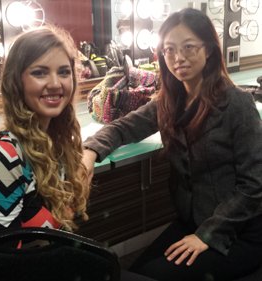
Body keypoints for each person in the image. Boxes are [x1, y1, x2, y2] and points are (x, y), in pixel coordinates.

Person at [83, 8, 262, 281]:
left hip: (238, 231)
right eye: (169, 50)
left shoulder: (237, 104)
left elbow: (254, 185)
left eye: (188, 47)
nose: (178, 58)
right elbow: (124, 127)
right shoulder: (169, 101)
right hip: (192, 222)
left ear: (209, 50)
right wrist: (91, 149)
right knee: (129, 272)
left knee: (152, 275)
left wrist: (208, 235)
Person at [0, 25, 90, 247]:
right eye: (39, 72)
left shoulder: (58, 143)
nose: (55, 84)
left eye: (63, 72)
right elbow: (3, 262)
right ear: (17, 81)